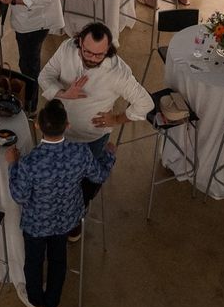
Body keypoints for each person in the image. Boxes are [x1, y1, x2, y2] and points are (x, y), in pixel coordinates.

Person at [7, 98, 117, 307]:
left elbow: (19, 195)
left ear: (37, 125)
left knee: (34, 261)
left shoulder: (30, 162)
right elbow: (99, 175)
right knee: (59, 259)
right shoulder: (81, 153)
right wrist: (109, 155)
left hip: (37, 223)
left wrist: (12, 165)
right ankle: (52, 305)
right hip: (67, 219)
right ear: (67, 125)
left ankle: (35, 300)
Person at [38, 22, 152, 228]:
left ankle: (76, 220)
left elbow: (145, 103)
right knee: (53, 180)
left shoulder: (118, 73)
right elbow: (44, 77)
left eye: (99, 54)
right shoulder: (66, 49)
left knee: (83, 184)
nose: (91, 58)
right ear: (79, 42)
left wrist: (117, 119)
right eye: (87, 51)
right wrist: (64, 94)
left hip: (91, 140)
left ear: (108, 49)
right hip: (58, 134)